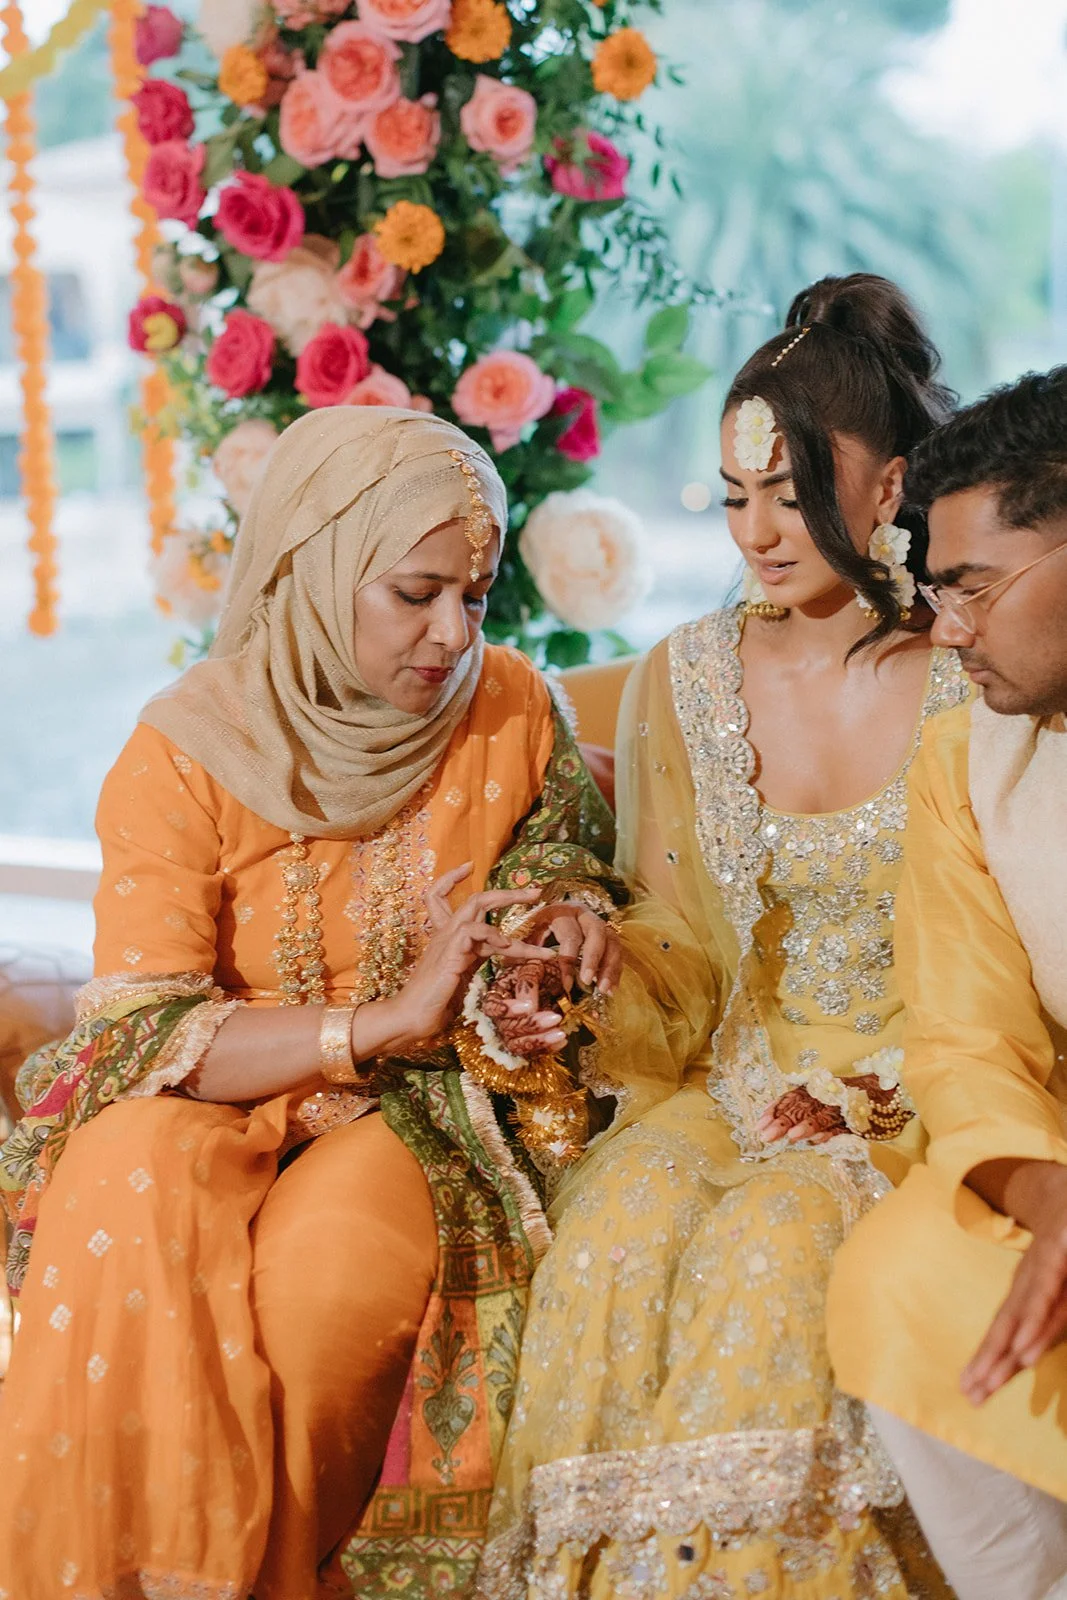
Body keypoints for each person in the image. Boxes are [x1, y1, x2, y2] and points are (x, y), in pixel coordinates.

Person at [0, 407, 632, 1600]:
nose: (452, 633)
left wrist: (556, 942)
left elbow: (565, 880)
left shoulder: (511, 712)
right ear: (312, 568)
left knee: (324, 1279)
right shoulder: (185, 753)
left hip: (421, 1105)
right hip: (221, 1085)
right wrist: (372, 1020)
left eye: (477, 595)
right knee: (119, 1169)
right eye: (415, 592)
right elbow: (138, 1032)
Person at [477, 274, 969, 1600]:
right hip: (731, 1078)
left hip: (921, 1088)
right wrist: (594, 955)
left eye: (793, 486)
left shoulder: (974, 674)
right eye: (733, 492)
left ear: (888, 485)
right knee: (617, 1228)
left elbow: (1007, 949)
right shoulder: (686, 676)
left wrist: (877, 1093)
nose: (757, 529)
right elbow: (684, 952)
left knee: (770, 1244)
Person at [827, 367, 1067, 1600]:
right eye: (935, 591)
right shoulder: (961, 759)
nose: (947, 630)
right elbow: (965, 1031)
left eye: (971, 587)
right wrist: (1048, 1195)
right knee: (902, 1270)